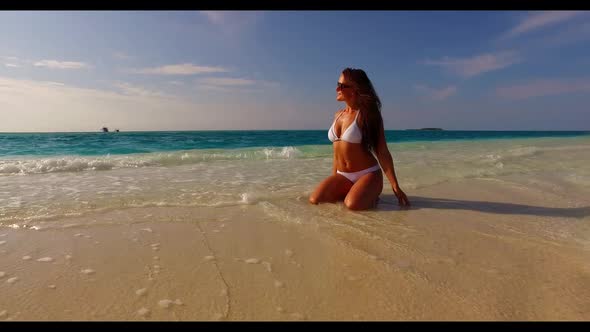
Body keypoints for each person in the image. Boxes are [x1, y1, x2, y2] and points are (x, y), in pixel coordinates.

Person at [309, 68, 410, 210]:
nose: (337, 88)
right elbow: (336, 154)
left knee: (352, 205)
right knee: (316, 200)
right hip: (343, 175)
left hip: (368, 174)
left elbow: (382, 151)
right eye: (337, 84)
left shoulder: (368, 115)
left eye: (342, 85)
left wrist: (395, 186)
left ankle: (371, 195)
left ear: (355, 89)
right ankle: (356, 192)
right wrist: (334, 179)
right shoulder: (338, 114)